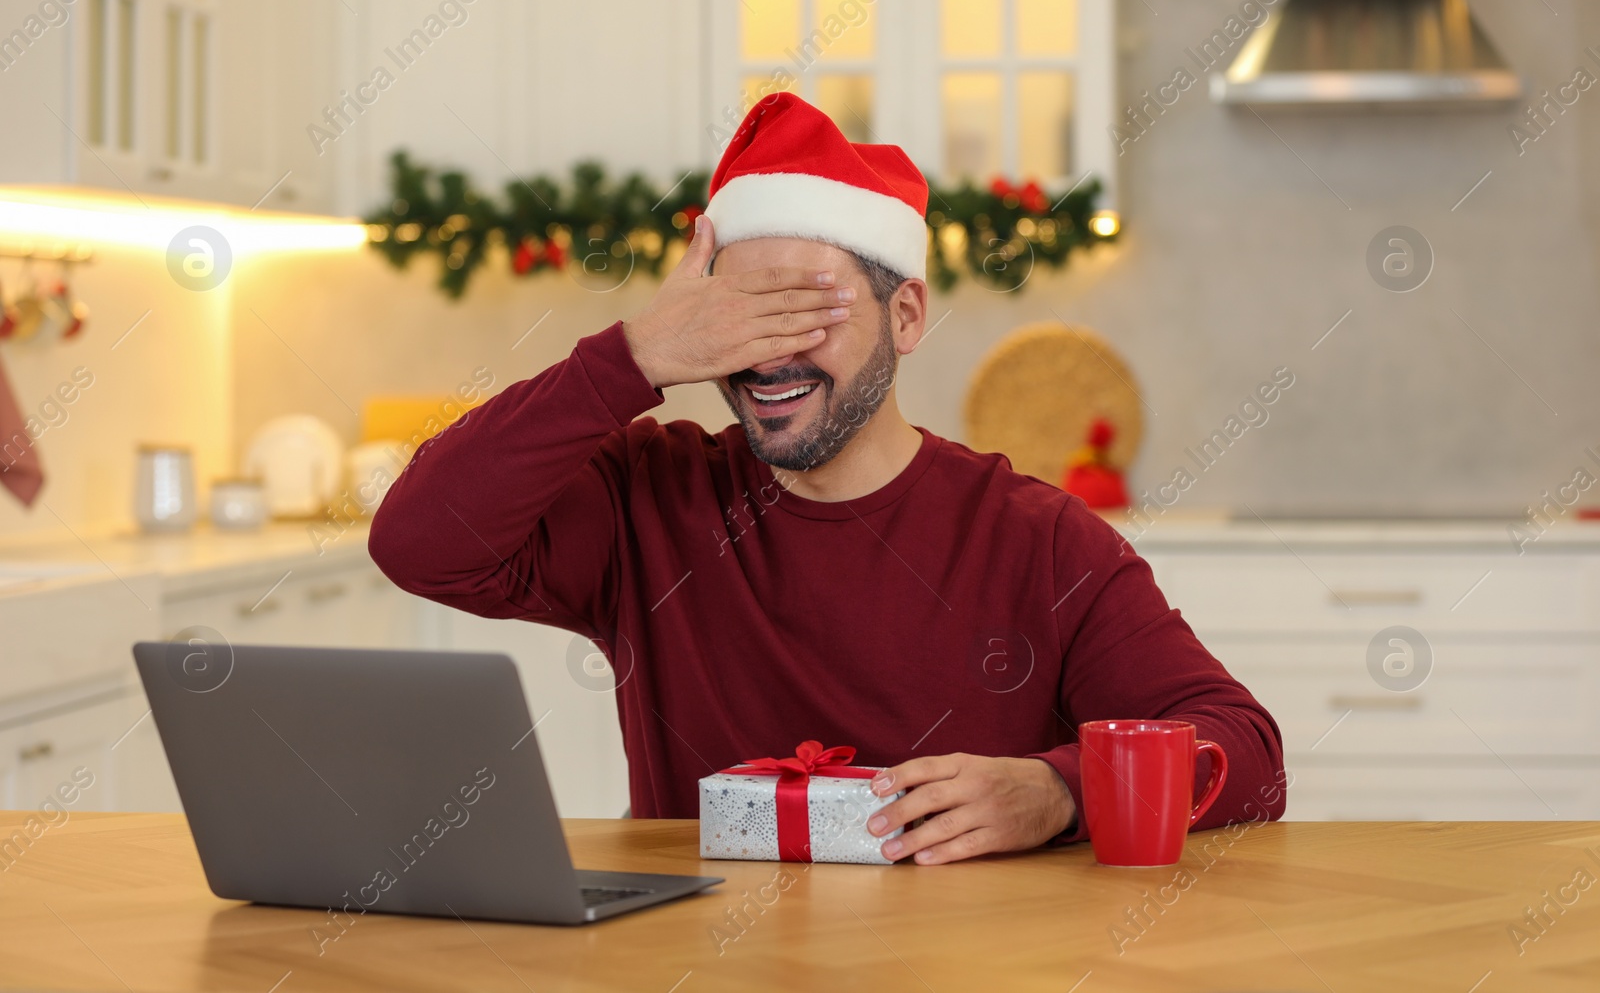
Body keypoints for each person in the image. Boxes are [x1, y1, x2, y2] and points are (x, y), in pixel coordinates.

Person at [369, 93, 1285, 865]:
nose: (768, 354)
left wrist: (1059, 789)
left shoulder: (1039, 538)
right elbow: (417, 540)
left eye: (808, 308)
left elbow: (1248, 754)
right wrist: (635, 356)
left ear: (908, 314)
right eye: (736, 315)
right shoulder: (646, 499)